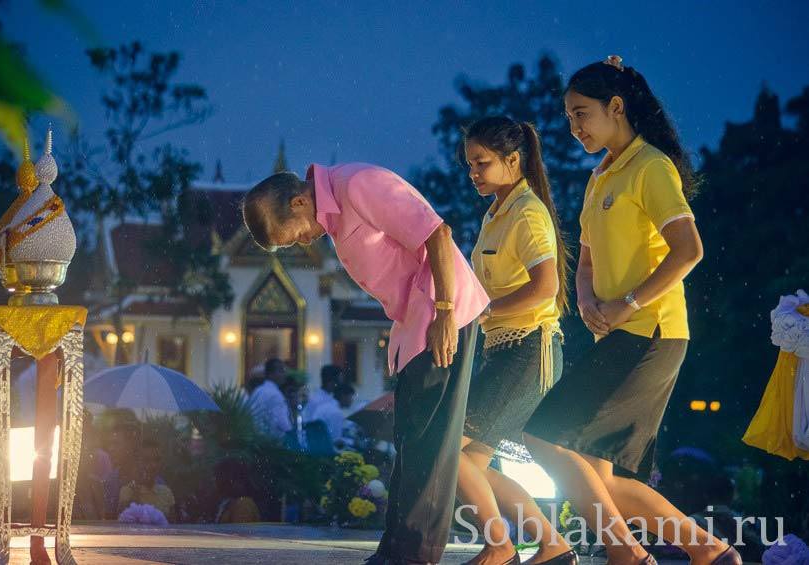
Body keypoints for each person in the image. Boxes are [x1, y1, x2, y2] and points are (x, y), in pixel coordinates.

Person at [522, 56, 739, 565]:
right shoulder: (600, 178)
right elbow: (588, 258)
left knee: (542, 433)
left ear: (616, 107)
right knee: (600, 481)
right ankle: (711, 554)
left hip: (653, 334)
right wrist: (587, 299)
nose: (573, 127)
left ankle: (628, 557)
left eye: (581, 114)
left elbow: (689, 250)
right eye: (569, 117)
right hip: (619, 334)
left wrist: (627, 304)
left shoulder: (651, 167)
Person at [242, 162, 488, 565]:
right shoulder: (335, 214)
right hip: (414, 324)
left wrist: (444, 313)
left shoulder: (359, 185)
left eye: (296, 236)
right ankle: (394, 550)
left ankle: (416, 556)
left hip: (443, 315)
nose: (304, 241)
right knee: (408, 439)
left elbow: (437, 233)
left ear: (301, 201)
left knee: (431, 441)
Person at [457, 116, 574, 565]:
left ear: (512, 160)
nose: (473, 173)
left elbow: (544, 287)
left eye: (482, 163)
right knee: (471, 462)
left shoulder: (526, 211)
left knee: (450, 453)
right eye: (469, 164)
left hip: (529, 350)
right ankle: (552, 546)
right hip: (504, 352)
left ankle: (501, 546)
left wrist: (483, 312)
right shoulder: (496, 213)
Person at [117, 440, 176, 520]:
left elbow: (173, 527)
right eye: (146, 460)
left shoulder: (166, 492)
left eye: (157, 460)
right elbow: (124, 524)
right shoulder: (128, 491)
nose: (153, 465)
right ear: (137, 463)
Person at [246, 358, 293, 439]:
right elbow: (282, 422)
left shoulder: (258, 390)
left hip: (257, 439)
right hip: (273, 442)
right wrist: (293, 436)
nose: (284, 375)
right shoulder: (275, 394)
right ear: (271, 374)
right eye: (281, 371)